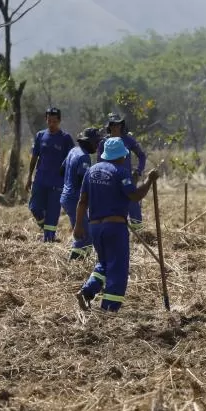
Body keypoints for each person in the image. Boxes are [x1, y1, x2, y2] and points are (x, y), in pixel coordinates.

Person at [74, 137, 159, 312]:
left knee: (104, 263)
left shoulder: (91, 171)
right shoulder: (120, 171)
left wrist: (78, 226)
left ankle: (87, 291)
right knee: (118, 268)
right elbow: (134, 196)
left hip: (95, 227)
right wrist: (149, 181)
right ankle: (109, 309)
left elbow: (82, 201)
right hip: (114, 228)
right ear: (122, 156)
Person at [26, 106, 73, 242]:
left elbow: (70, 160)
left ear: (59, 121)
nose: (51, 124)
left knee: (53, 213)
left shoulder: (65, 138)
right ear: (46, 120)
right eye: (49, 121)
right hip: (40, 180)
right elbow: (35, 157)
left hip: (57, 182)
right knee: (34, 207)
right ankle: (44, 227)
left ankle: (49, 239)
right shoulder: (40, 136)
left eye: (54, 121)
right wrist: (29, 177)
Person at [97, 113, 147, 232]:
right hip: (110, 182)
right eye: (113, 125)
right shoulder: (103, 142)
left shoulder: (128, 140)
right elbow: (99, 163)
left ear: (121, 125)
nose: (115, 127)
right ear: (109, 126)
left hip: (127, 180)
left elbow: (141, 156)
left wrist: (138, 171)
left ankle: (139, 235)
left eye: (118, 124)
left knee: (133, 206)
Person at [61, 127, 102, 260]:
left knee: (84, 233)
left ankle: (78, 263)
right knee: (85, 236)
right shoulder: (84, 157)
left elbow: (62, 170)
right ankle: (74, 266)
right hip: (74, 199)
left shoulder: (73, 151)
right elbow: (83, 182)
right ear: (87, 142)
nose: (97, 146)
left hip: (66, 197)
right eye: (96, 142)